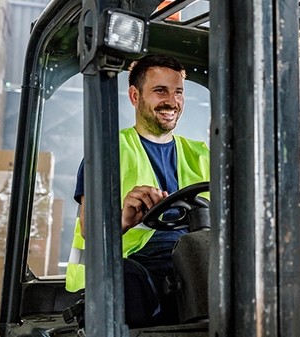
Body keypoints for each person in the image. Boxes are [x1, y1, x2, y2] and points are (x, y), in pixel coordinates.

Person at [65, 54, 210, 328]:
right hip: (140, 267)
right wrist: (124, 220)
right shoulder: (108, 152)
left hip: (199, 261)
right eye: (160, 91)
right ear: (134, 95)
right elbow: (89, 229)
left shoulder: (202, 154)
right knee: (124, 280)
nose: (171, 101)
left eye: (178, 92)